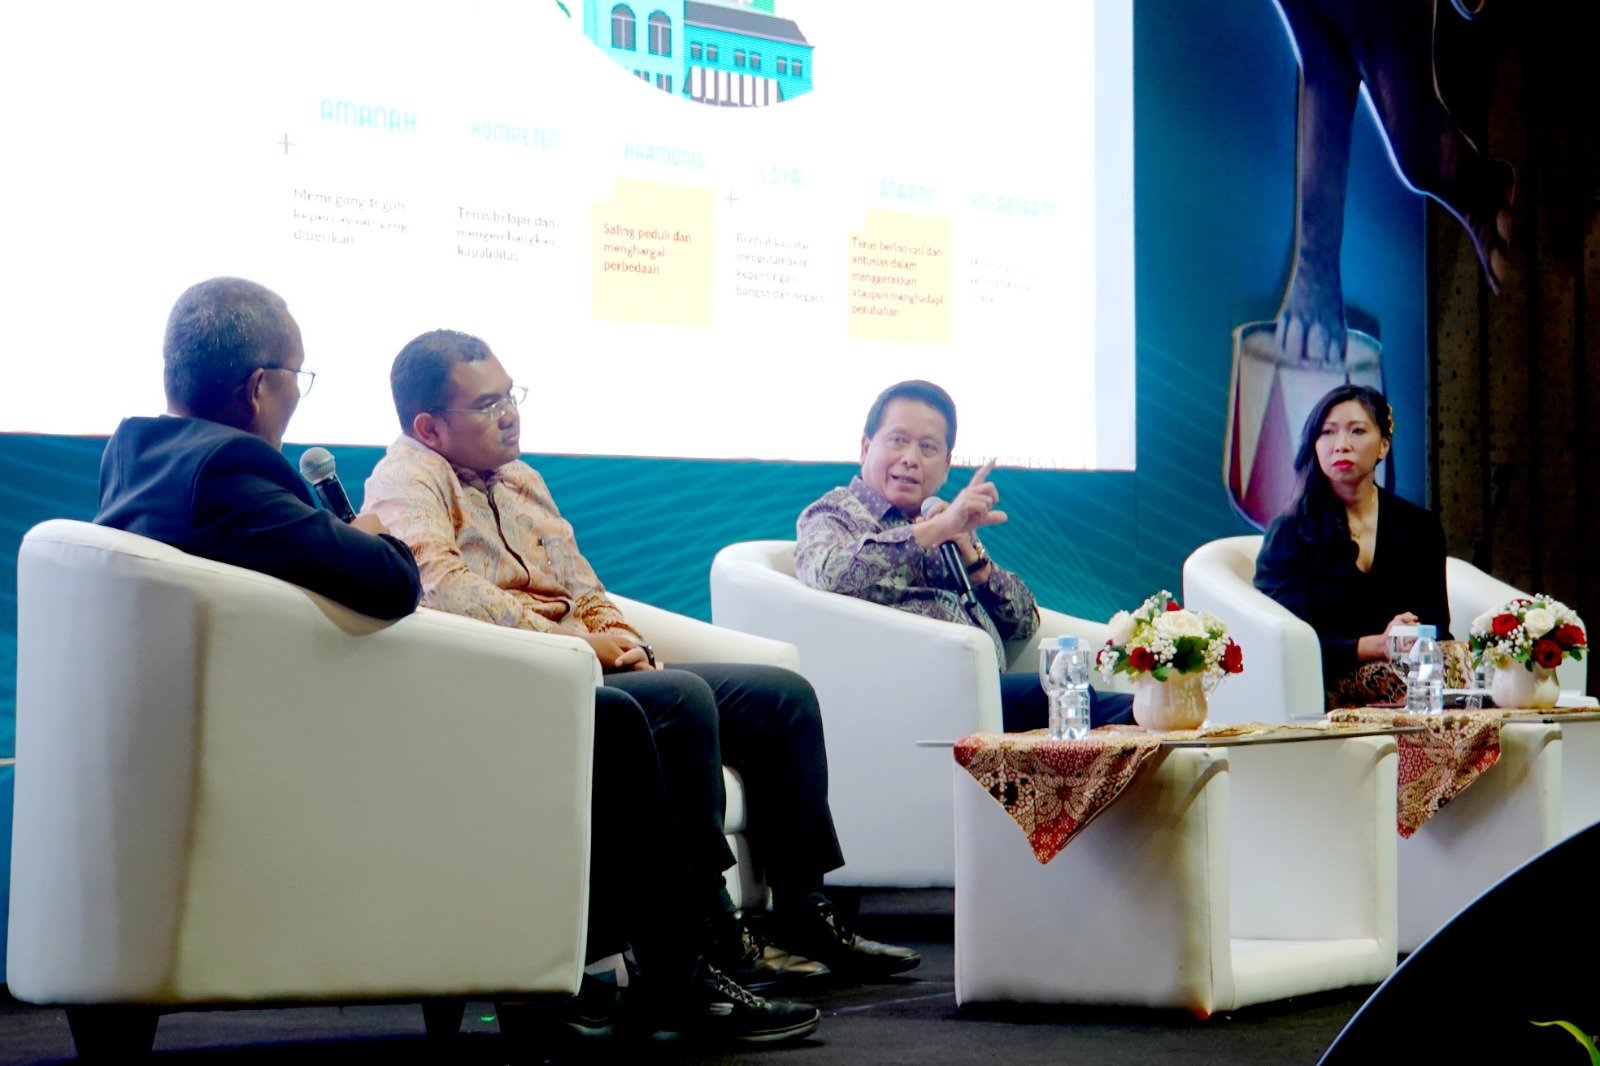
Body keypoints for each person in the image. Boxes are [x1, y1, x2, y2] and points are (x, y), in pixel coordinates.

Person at [96, 279, 819, 1046]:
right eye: (297, 377)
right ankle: (675, 970)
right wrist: (370, 537)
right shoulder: (230, 471)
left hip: (294, 707)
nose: (507, 414)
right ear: (258, 389)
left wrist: (608, 637)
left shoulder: (140, 458)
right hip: (352, 720)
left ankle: (674, 958)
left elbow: (574, 583)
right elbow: (396, 581)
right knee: (625, 712)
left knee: (653, 702)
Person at [361, 330, 920, 992]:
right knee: (681, 700)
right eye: (487, 405)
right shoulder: (405, 479)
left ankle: (804, 910)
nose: (510, 415)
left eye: (511, 396)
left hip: (587, 663)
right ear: (429, 426)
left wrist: (627, 647)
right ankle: (713, 934)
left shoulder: (521, 479)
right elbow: (440, 588)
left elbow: (584, 586)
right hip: (518, 675)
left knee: (780, 698)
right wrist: (575, 646)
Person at [794, 380, 1134, 733]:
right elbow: (827, 572)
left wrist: (974, 561)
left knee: (1139, 712)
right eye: (898, 440)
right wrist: (931, 531)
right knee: (1062, 695)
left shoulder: (940, 518)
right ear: (866, 448)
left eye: (927, 447)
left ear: (945, 466)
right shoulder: (834, 513)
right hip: (908, 695)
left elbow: (1024, 625)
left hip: (983, 690)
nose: (910, 458)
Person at [1253, 382, 1456, 709]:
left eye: (1357, 431)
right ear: (1314, 444)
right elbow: (1288, 644)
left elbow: (1438, 627)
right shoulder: (1290, 532)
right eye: (1328, 433)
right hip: (1325, 678)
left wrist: (1410, 636)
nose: (1341, 445)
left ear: (1384, 445)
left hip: (1407, 673)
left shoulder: (1420, 527)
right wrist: (1375, 645)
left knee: (1461, 662)